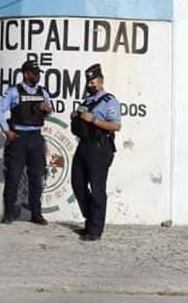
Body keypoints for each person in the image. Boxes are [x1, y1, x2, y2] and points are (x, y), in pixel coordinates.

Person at [0, 59, 54, 225]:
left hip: (35, 137)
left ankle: (36, 213)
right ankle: (8, 213)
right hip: (18, 137)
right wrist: (6, 130)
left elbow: (49, 112)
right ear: (26, 73)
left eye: (38, 73)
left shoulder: (43, 92)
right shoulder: (14, 91)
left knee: (37, 177)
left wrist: (47, 109)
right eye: (34, 73)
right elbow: (0, 109)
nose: (37, 76)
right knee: (13, 177)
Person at [71, 64, 121, 242]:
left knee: (97, 188)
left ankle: (95, 230)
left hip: (100, 147)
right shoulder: (86, 101)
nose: (90, 84)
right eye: (88, 82)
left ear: (100, 82)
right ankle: (90, 218)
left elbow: (116, 125)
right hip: (84, 145)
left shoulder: (109, 101)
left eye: (93, 81)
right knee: (77, 183)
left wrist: (94, 120)